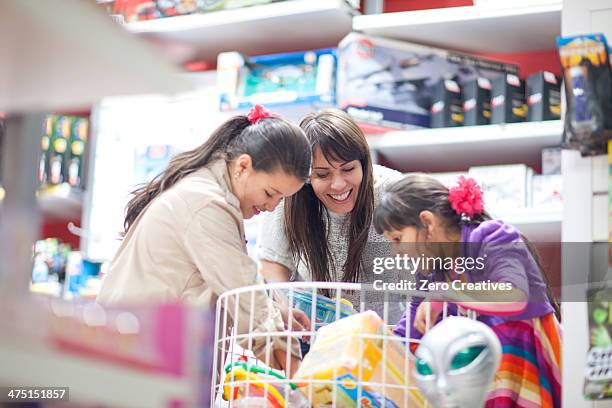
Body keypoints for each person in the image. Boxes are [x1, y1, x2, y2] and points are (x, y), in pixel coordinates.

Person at [97, 105, 311, 372]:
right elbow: (242, 293)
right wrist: (302, 381)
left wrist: (278, 314)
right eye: (270, 193)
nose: (270, 207)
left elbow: (233, 281)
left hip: (142, 357)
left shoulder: (207, 190)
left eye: (281, 200)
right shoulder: (207, 203)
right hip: (137, 362)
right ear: (243, 166)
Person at [374, 174, 561, 408]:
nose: (394, 252)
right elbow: (411, 327)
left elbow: (514, 296)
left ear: (428, 223)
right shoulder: (432, 268)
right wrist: (376, 345)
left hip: (526, 362)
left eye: (398, 239)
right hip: (482, 376)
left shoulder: (492, 236)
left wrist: (447, 294)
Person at [257, 108, 404, 328]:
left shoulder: (393, 191)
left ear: (364, 163)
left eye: (348, 169)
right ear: (305, 176)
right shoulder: (289, 194)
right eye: (322, 174)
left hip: (388, 333)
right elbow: (273, 262)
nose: (338, 184)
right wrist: (284, 306)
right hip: (314, 332)